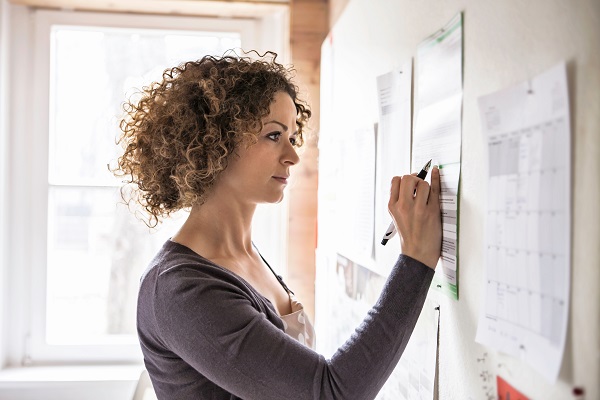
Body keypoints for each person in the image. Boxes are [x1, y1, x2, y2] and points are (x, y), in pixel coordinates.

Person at [112, 51, 442, 400]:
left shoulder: (244, 256)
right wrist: (415, 261)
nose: (293, 155)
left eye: (293, 136)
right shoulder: (181, 290)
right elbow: (330, 393)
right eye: (273, 136)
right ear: (215, 144)